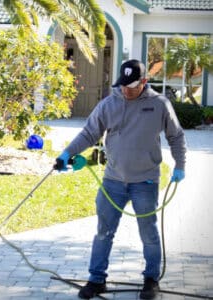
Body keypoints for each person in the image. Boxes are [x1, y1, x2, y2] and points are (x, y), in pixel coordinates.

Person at [56, 59, 186, 299]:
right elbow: (89, 132)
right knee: (103, 231)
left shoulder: (160, 104)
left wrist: (180, 165)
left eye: (132, 86)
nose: (126, 90)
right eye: (123, 85)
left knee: (148, 233)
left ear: (145, 82)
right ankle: (96, 279)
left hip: (145, 181)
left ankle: (151, 280)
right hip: (113, 181)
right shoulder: (109, 104)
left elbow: (176, 136)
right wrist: (67, 153)